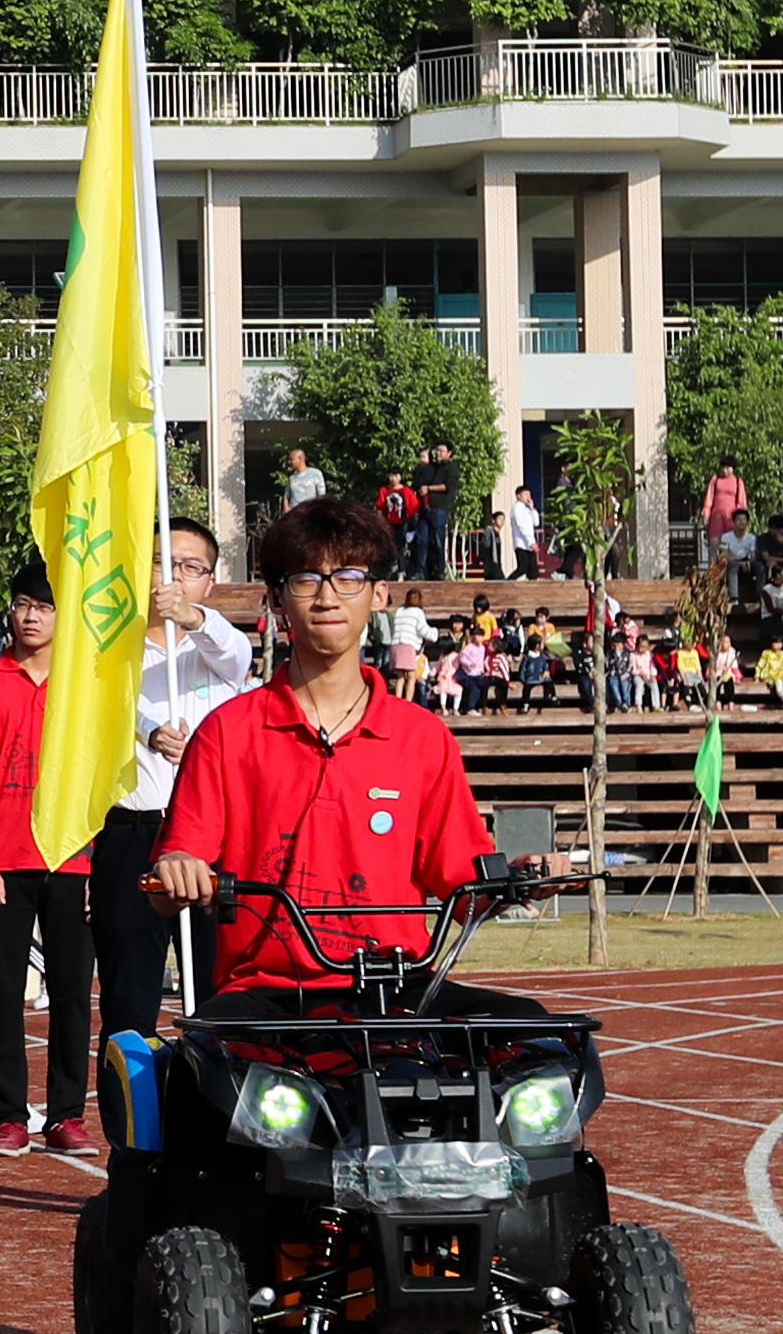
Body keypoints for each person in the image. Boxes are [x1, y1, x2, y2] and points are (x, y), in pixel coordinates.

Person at [153, 497, 580, 1063]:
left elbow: (464, 885)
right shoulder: (227, 732)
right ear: (276, 599)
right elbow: (172, 875)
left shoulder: (421, 737)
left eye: (349, 577)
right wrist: (177, 869)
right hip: (269, 995)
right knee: (204, 1069)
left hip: (400, 987)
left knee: (547, 1047)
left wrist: (524, 877)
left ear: (379, 594)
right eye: (306, 579)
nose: (328, 597)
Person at [85, 519, 251, 1062]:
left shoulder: (219, 650)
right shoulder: (110, 651)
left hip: (210, 840)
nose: (174, 577)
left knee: (219, 991)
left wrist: (193, 617)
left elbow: (233, 652)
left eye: (190, 567)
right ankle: (131, 1107)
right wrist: (149, 731)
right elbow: (103, 709)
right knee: (129, 999)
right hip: (133, 833)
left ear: (209, 581)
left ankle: (220, 1099)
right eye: (162, 563)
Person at [0, 558, 97, 1156]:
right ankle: (7, 1114)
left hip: (71, 859)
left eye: (45, 607)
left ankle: (66, 1115)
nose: (30, 617)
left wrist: (96, 862)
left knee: (72, 993)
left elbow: (100, 781)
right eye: (22, 605)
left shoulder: (86, 687)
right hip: (2, 860)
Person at [413, 442, 457, 581]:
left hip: (440, 507)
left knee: (438, 541)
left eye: (441, 451)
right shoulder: (434, 467)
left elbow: (448, 486)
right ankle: (421, 571)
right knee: (422, 540)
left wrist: (429, 488)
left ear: (449, 452)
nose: (438, 453)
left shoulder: (452, 467)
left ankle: (439, 571)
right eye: (437, 450)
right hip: (426, 507)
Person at [702, 460, 749, 563]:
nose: (725, 470)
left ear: (733, 469)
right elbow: (709, 498)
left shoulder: (738, 482)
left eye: (727, 468)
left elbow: (741, 502)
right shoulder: (715, 480)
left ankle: (730, 568)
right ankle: (713, 568)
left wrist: (741, 519)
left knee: (730, 544)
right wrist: (706, 515)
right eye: (723, 468)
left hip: (731, 517)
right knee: (714, 543)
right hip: (716, 516)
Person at [508, 484, 545, 581]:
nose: (528, 497)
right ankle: (507, 582)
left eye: (529, 495)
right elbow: (522, 526)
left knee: (533, 570)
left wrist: (532, 508)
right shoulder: (517, 507)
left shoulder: (527, 508)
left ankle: (531, 587)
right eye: (525, 494)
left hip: (529, 544)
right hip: (521, 543)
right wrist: (531, 542)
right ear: (518, 496)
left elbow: (536, 522)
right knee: (523, 568)